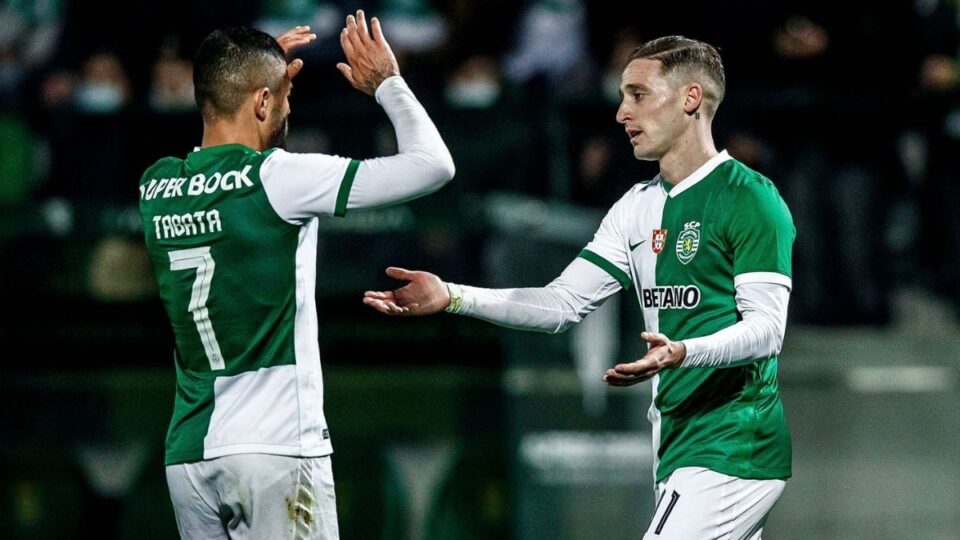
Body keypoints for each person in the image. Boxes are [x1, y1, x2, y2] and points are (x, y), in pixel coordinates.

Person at [364, 35, 794, 539]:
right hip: (679, 447)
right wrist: (453, 295)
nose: (621, 113)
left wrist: (684, 351)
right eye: (622, 96)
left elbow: (767, 330)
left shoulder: (749, 199)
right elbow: (562, 303)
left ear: (690, 98)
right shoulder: (636, 207)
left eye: (638, 95)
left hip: (734, 446)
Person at [139, 11, 455, 539]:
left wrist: (251, 71)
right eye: (284, 99)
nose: (289, 110)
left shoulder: (156, 187)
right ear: (262, 102)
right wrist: (388, 83)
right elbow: (433, 165)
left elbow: (215, 139)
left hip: (189, 455)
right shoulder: (281, 179)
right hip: (275, 449)